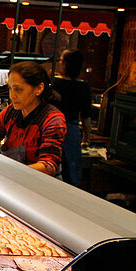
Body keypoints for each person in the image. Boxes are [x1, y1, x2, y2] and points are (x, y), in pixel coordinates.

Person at [0, 61, 66, 176]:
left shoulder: (53, 119)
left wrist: (8, 171)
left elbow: (48, 166)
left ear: (39, 88)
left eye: (18, 89)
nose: (12, 95)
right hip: (13, 180)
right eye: (10, 89)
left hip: (39, 187)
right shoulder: (11, 112)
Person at [53, 49, 93, 187]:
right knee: (72, 171)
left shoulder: (54, 84)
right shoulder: (84, 87)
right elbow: (86, 117)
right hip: (72, 131)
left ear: (64, 64)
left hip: (52, 129)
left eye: (60, 60)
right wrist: (86, 137)